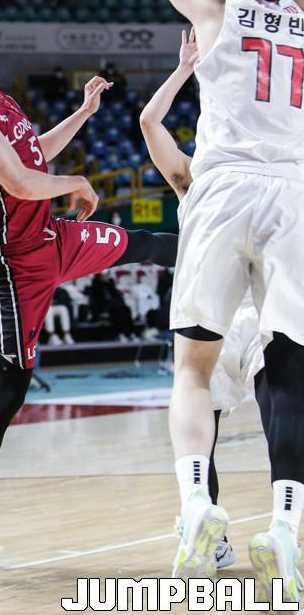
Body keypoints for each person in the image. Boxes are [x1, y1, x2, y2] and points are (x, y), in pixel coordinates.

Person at [0, 0, 178, 571]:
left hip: (54, 239)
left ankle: (240, 261)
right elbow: (22, 183)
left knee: (144, 244)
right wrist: (76, 181)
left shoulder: (0, 100)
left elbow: (35, 155)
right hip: (12, 266)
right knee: (10, 389)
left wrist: (83, 114)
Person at [122, 0, 304, 598]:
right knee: (289, 369)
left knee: (194, 366)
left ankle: (198, 503)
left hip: (223, 187)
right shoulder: (303, 12)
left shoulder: (215, 10)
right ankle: (287, 527)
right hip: (294, 193)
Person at [139, 28, 267, 570]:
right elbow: (150, 124)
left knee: (200, 432)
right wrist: (186, 68)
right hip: (255, 314)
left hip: (215, 317)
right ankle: (277, 526)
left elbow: (149, 122)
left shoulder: (194, 182)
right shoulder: (206, 177)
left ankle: (207, 530)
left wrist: (184, 69)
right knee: (284, 415)